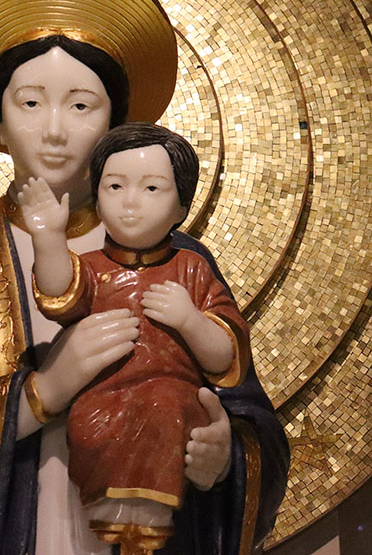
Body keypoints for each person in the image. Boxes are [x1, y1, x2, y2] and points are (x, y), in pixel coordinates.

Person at [0, 0, 289, 555]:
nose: (55, 130)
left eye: (82, 105)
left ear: (116, 126)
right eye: (30, 103)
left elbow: (253, 428)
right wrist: (43, 393)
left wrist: (222, 459)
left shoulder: (182, 260)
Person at [19, 124, 252, 555]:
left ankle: (147, 522)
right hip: (101, 394)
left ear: (182, 204)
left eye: (151, 188)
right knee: (88, 426)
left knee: (164, 410)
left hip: (171, 394)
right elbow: (57, 296)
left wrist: (189, 320)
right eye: (115, 185)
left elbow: (226, 357)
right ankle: (112, 515)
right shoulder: (92, 267)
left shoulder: (192, 268)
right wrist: (49, 237)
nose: (130, 201)